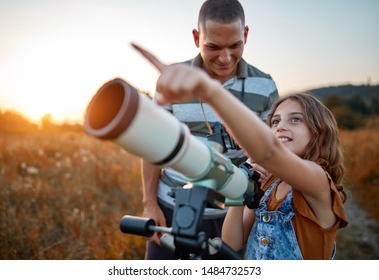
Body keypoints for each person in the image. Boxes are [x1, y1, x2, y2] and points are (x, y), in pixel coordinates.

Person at [133, 43, 349, 260]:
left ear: (319, 132)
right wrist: (240, 189)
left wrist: (208, 91)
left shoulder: (318, 179)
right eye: (275, 121)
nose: (280, 126)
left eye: (295, 119)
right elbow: (232, 242)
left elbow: (268, 152)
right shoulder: (268, 183)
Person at [141, 0, 278, 259]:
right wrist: (149, 204)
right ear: (196, 37)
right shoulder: (172, 81)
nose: (225, 58)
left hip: (235, 215)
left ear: (246, 34)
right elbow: (152, 147)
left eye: (235, 45)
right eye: (213, 47)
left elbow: (272, 155)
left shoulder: (265, 86)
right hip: (172, 207)